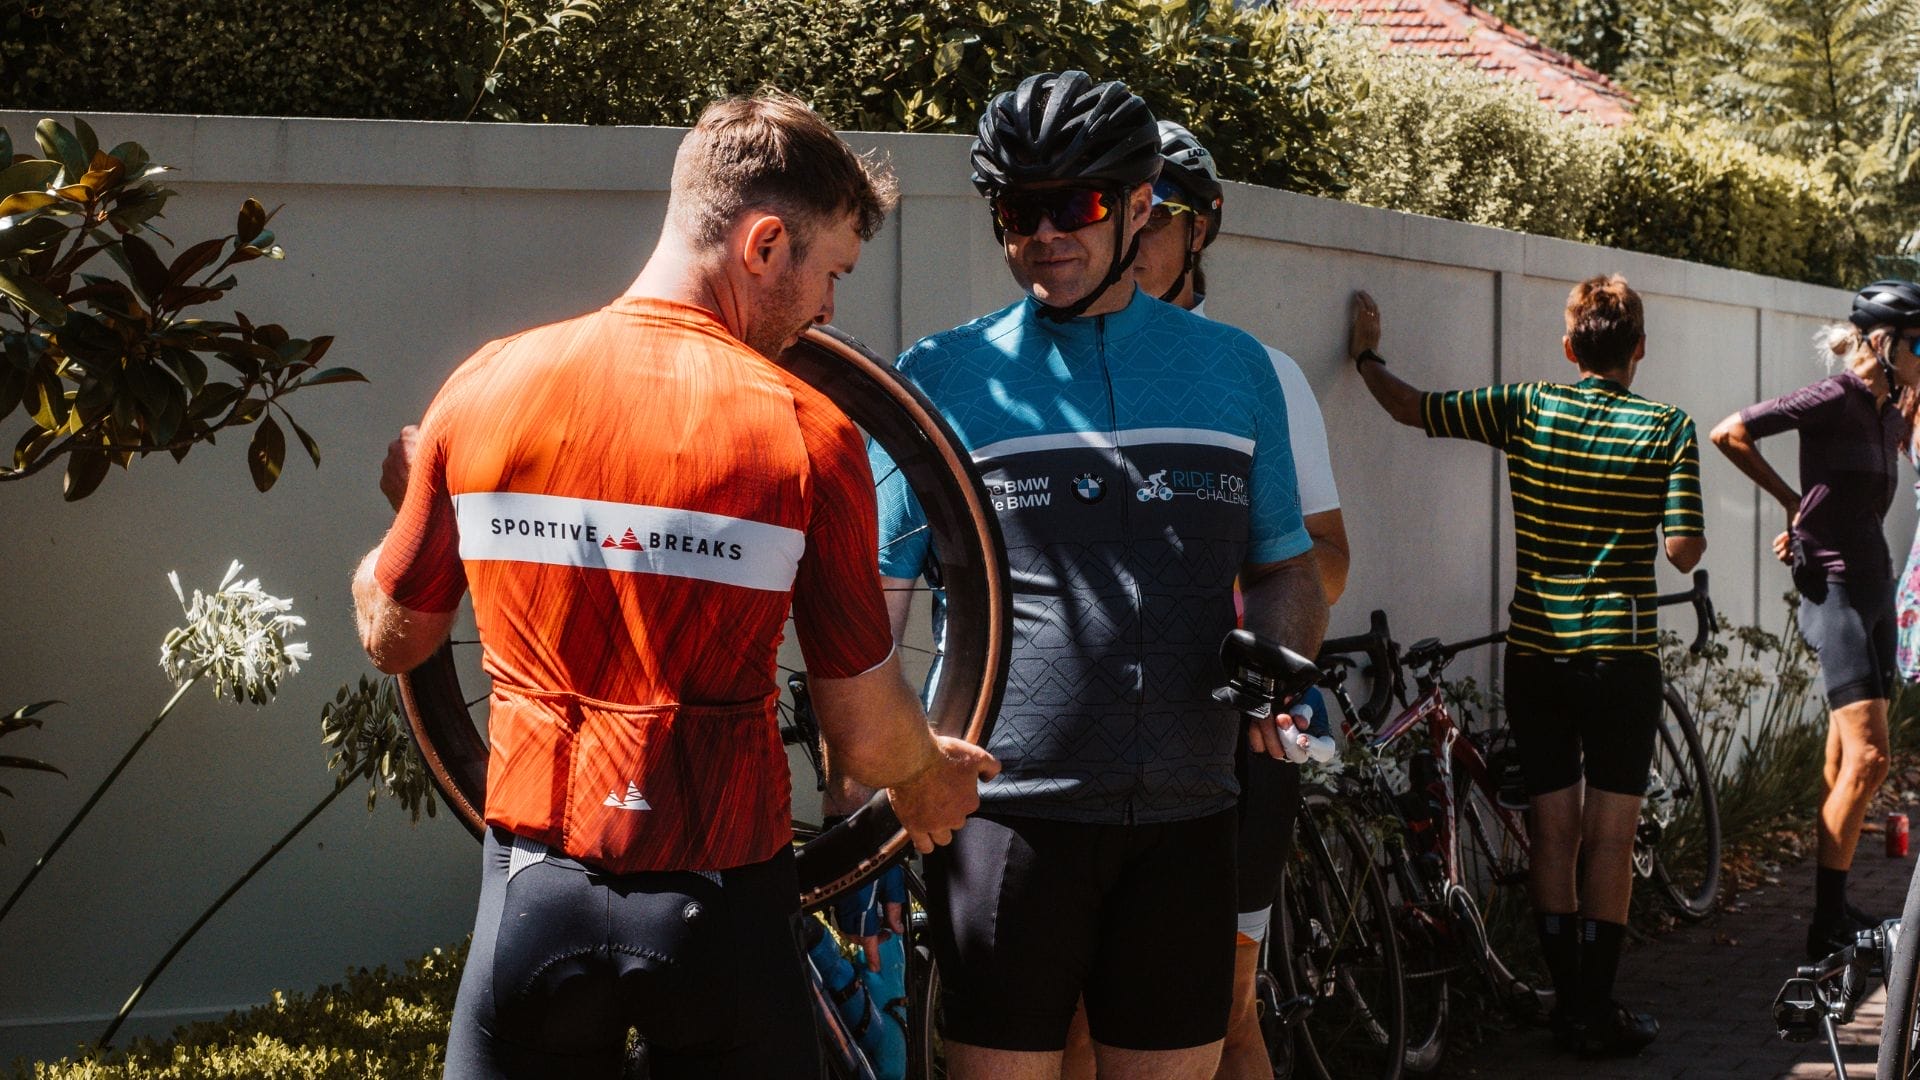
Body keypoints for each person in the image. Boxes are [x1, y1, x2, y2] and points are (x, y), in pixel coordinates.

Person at [350, 90, 997, 1080]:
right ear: (764, 243)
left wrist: (408, 510)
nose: (830, 308)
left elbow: (396, 638)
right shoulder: (809, 435)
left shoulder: (483, 387)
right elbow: (865, 729)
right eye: (831, 273)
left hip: (532, 896)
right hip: (722, 911)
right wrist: (927, 776)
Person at [874, 71, 1330, 1080]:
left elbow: (1291, 568)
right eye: (1018, 211)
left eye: (1074, 206)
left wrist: (1281, 655)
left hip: (1189, 816)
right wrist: (894, 765)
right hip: (1005, 821)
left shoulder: (1236, 372)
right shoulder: (947, 373)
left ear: (1138, 206)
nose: (1045, 234)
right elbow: (870, 599)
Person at [1351, 275, 1706, 1056]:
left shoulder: (1528, 406)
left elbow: (1414, 407)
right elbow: (1683, 551)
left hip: (1539, 652)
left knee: (1552, 830)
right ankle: (1592, 1008)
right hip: (1622, 657)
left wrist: (1366, 355)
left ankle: (1566, 1004)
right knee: (1610, 837)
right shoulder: (1669, 428)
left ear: (1570, 347)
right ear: (1638, 349)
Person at [1070, 118, 1349, 1080]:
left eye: (1157, 215)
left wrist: (1219, 617)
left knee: (1226, 1017)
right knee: (1070, 1024)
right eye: (1113, 210)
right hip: (1090, 747)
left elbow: (1324, 561)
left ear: (1199, 230)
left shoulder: (1251, 371)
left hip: (1225, 737)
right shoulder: (1058, 363)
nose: (1132, 237)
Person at [1710, 279, 1920, 959]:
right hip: (1833, 593)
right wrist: (1792, 506)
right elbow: (1730, 431)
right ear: (1883, 344)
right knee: (1871, 758)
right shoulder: (1835, 397)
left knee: (1842, 761)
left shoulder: (1894, 412)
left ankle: (1836, 908)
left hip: (1874, 588)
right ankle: (1826, 924)